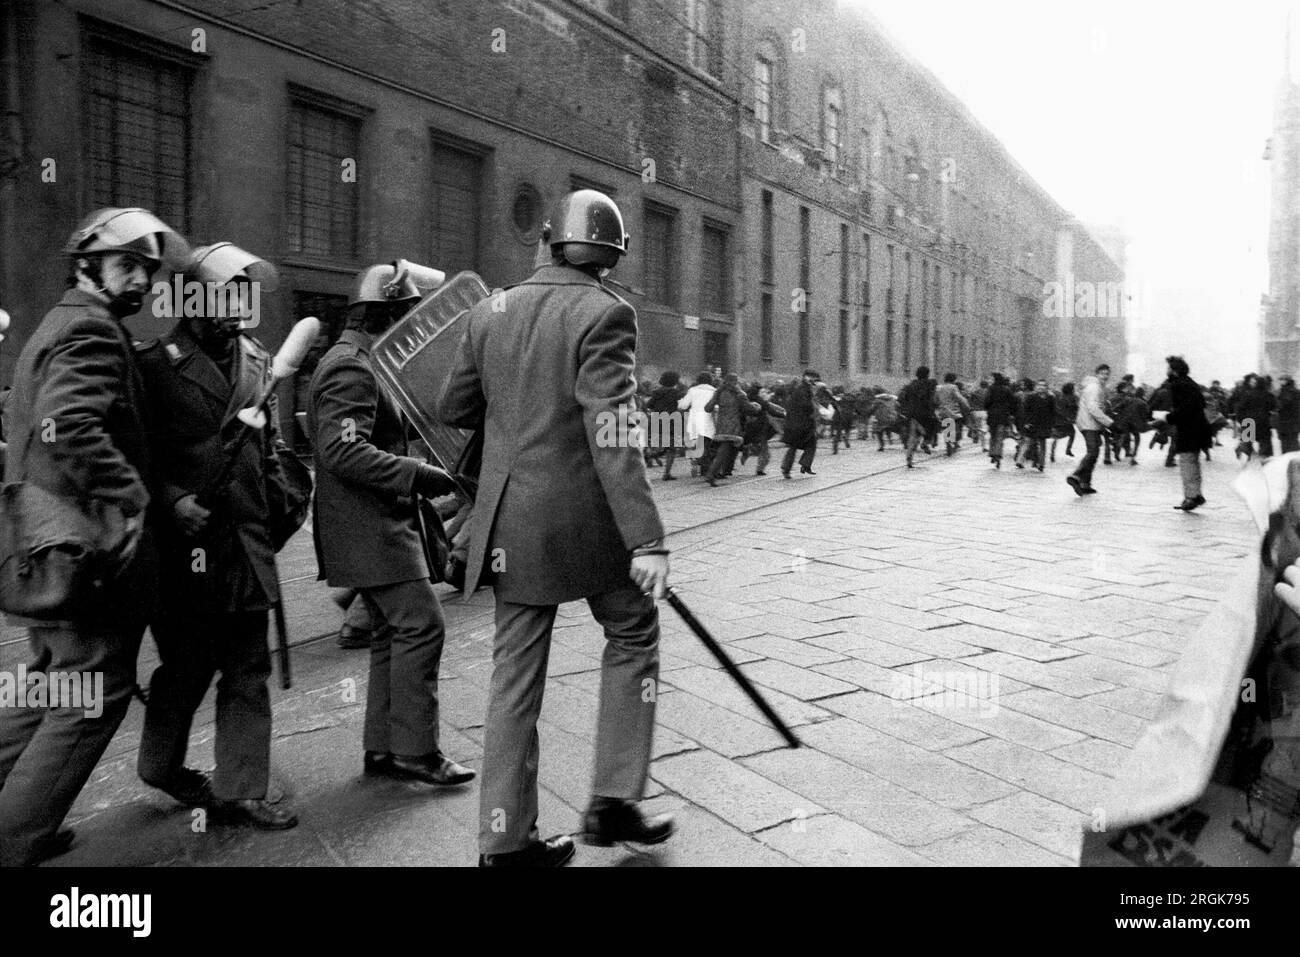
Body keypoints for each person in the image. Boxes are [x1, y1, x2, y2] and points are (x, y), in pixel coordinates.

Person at [438, 189, 673, 867]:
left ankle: (505, 842)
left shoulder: (491, 309)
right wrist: (647, 538)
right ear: (611, 253)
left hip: (510, 521)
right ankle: (613, 798)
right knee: (632, 631)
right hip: (587, 524)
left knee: (514, 678)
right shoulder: (605, 313)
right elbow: (614, 431)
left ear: (549, 239)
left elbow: (451, 405)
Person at [0, 208, 188, 866]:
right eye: (126, 263)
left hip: (40, 549)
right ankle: (13, 840)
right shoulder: (89, 328)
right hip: (83, 555)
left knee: (48, 684)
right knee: (93, 694)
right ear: (87, 266)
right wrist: (131, 496)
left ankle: (15, 814)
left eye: (146, 266)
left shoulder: (58, 323)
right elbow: (70, 426)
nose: (139, 277)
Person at [134, 242, 303, 829]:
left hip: (248, 544)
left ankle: (241, 789)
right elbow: (132, 454)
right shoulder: (154, 364)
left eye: (243, 298)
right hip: (189, 550)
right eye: (224, 297)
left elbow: (271, 447)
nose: (235, 311)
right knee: (185, 667)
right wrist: (170, 499)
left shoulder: (258, 360)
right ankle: (159, 767)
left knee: (248, 668)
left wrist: (283, 505)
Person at [308, 259, 476, 792]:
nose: (417, 321)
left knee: (390, 633)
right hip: (369, 526)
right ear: (389, 312)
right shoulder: (350, 367)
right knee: (422, 626)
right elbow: (341, 449)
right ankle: (416, 750)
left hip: (377, 522)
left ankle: (383, 747)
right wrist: (417, 474)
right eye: (410, 311)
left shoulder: (366, 359)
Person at [1166, 355, 1210, 511]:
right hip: (1198, 428)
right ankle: (1195, 494)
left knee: (1187, 462)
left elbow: (1185, 409)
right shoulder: (1190, 383)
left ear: (1175, 371)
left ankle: (1191, 497)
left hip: (1189, 429)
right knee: (1193, 462)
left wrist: (1169, 417)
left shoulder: (1180, 385)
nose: (1167, 371)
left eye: (1169, 368)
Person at [1067, 363, 1113, 496]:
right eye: (1102, 373)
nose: (1105, 376)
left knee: (1095, 452)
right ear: (1097, 374)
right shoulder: (1094, 388)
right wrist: (1109, 423)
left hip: (1092, 424)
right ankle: (1075, 475)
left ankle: (1085, 483)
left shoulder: (1099, 387)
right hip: (1089, 424)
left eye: (1107, 373)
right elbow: (1093, 408)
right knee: (1093, 452)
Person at [704, 372, 757, 486]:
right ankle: (711, 473)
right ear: (736, 382)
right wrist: (756, 407)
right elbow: (748, 409)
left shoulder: (718, 393)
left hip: (721, 425)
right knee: (724, 451)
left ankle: (714, 473)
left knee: (724, 450)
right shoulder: (739, 394)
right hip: (733, 426)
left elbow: (707, 408)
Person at [780, 369, 821, 477]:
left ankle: (787, 468)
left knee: (795, 446)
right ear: (806, 377)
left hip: (796, 424)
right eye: (813, 378)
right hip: (802, 424)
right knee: (809, 444)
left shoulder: (803, 388)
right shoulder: (803, 390)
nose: (814, 381)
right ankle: (803, 465)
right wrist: (814, 407)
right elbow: (805, 406)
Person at [647, 371, 686, 480]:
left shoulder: (656, 392)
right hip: (672, 421)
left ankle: (650, 455)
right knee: (672, 449)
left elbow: (649, 405)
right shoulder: (675, 393)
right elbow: (684, 394)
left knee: (658, 445)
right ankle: (666, 473)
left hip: (657, 420)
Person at [678, 371, 716, 477]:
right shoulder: (714, 391)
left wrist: (680, 402)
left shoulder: (692, 390)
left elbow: (684, 405)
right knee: (706, 444)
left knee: (698, 443)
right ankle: (706, 468)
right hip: (708, 419)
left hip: (695, 420)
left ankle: (701, 464)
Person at [897, 365, 937, 468]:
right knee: (933, 427)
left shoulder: (911, 385)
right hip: (926, 414)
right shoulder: (930, 384)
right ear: (927, 374)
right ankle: (925, 442)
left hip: (912, 414)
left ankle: (909, 457)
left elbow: (901, 398)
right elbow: (933, 399)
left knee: (913, 436)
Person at [743, 383, 785, 475]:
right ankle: (759, 469)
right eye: (762, 391)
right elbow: (772, 411)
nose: (765, 393)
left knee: (760, 449)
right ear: (758, 392)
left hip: (750, 429)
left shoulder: (747, 400)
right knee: (765, 453)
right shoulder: (761, 402)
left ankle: (749, 451)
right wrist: (784, 415)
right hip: (760, 429)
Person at [1015, 379, 1056, 471]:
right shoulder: (1031, 397)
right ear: (1037, 386)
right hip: (1032, 423)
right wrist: (1026, 422)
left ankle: (1041, 463)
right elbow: (1026, 410)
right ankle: (1019, 461)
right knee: (1027, 442)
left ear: (1046, 387)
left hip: (1044, 424)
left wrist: (1052, 425)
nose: (1041, 387)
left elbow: (1053, 412)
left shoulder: (1050, 398)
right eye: (1039, 385)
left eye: (1043, 385)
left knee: (1042, 444)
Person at [933, 372, 970, 456]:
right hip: (953, 412)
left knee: (946, 427)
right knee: (957, 427)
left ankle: (948, 443)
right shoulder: (953, 387)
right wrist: (967, 405)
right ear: (953, 380)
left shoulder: (939, 388)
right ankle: (952, 441)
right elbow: (959, 398)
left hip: (943, 412)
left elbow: (935, 400)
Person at [984, 372, 1016, 468]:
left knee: (993, 435)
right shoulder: (1007, 389)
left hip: (992, 416)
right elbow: (1012, 402)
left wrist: (988, 408)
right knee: (1000, 436)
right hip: (1003, 416)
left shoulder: (991, 389)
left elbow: (986, 402)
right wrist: (1011, 413)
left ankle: (992, 453)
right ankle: (998, 454)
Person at [1050, 381, 1078, 462]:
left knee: (1056, 437)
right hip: (1066, 421)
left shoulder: (1060, 396)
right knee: (1072, 433)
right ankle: (1068, 449)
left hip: (1058, 420)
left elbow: (1057, 408)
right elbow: (1074, 408)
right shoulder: (1071, 397)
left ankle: (1052, 453)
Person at [1277, 375, 1300, 454]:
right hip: (1294, 420)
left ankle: (1288, 458)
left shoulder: (1286, 391)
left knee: (1286, 442)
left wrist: (1277, 407)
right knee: (1293, 440)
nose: (1280, 381)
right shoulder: (1295, 390)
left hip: (1286, 421)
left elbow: (1284, 404)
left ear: (1287, 381)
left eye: (1282, 379)